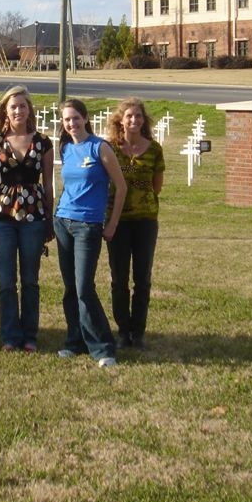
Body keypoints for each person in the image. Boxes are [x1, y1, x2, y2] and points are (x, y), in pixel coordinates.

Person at [53, 98, 126, 368]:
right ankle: (75, 341)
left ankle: (102, 348)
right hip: (63, 222)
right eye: (66, 119)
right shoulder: (66, 148)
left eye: (75, 118)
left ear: (85, 118)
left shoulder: (100, 147)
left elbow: (120, 187)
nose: (71, 123)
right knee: (71, 288)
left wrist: (112, 223)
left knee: (84, 287)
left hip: (88, 226)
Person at [0, 85, 53, 352]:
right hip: (3, 217)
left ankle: (30, 336)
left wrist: (49, 220)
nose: (18, 111)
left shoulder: (43, 142)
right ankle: (10, 335)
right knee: (6, 281)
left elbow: (49, 184)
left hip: (34, 216)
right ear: (6, 110)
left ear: (29, 110)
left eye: (23, 106)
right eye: (13, 106)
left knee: (31, 280)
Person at [105, 98, 165, 350]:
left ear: (144, 120)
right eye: (129, 116)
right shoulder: (110, 149)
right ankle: (122, 331)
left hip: (145, 221)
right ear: (120, 120)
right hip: (117, 222)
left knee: (142, 279)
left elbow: (157, 186)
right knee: (119, 280)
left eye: (138, 116)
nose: (134, 120)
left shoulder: (154, 149)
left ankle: (138, 331)